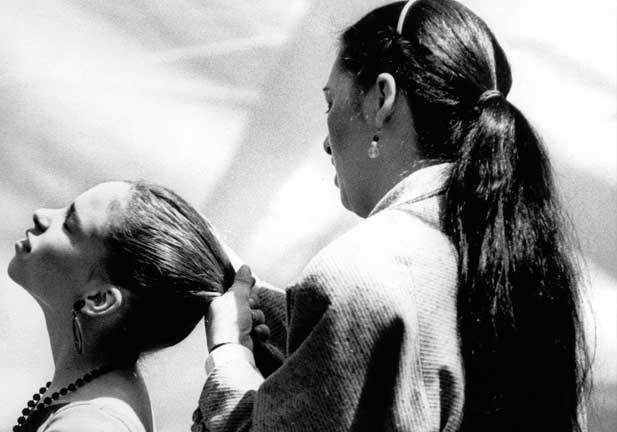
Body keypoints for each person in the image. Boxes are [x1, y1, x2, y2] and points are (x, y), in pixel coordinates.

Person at [193, 1, 590, 431]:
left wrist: (229, 354)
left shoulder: (367, 268)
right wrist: (248, 294)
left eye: (331, 103)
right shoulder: (526, 273)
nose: (326, 143)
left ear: (382, 99)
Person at [7, 181, 258, 432]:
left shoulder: (89, 425)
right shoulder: (91, 400)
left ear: (99, 299)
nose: (41, 215)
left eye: (69, 225)